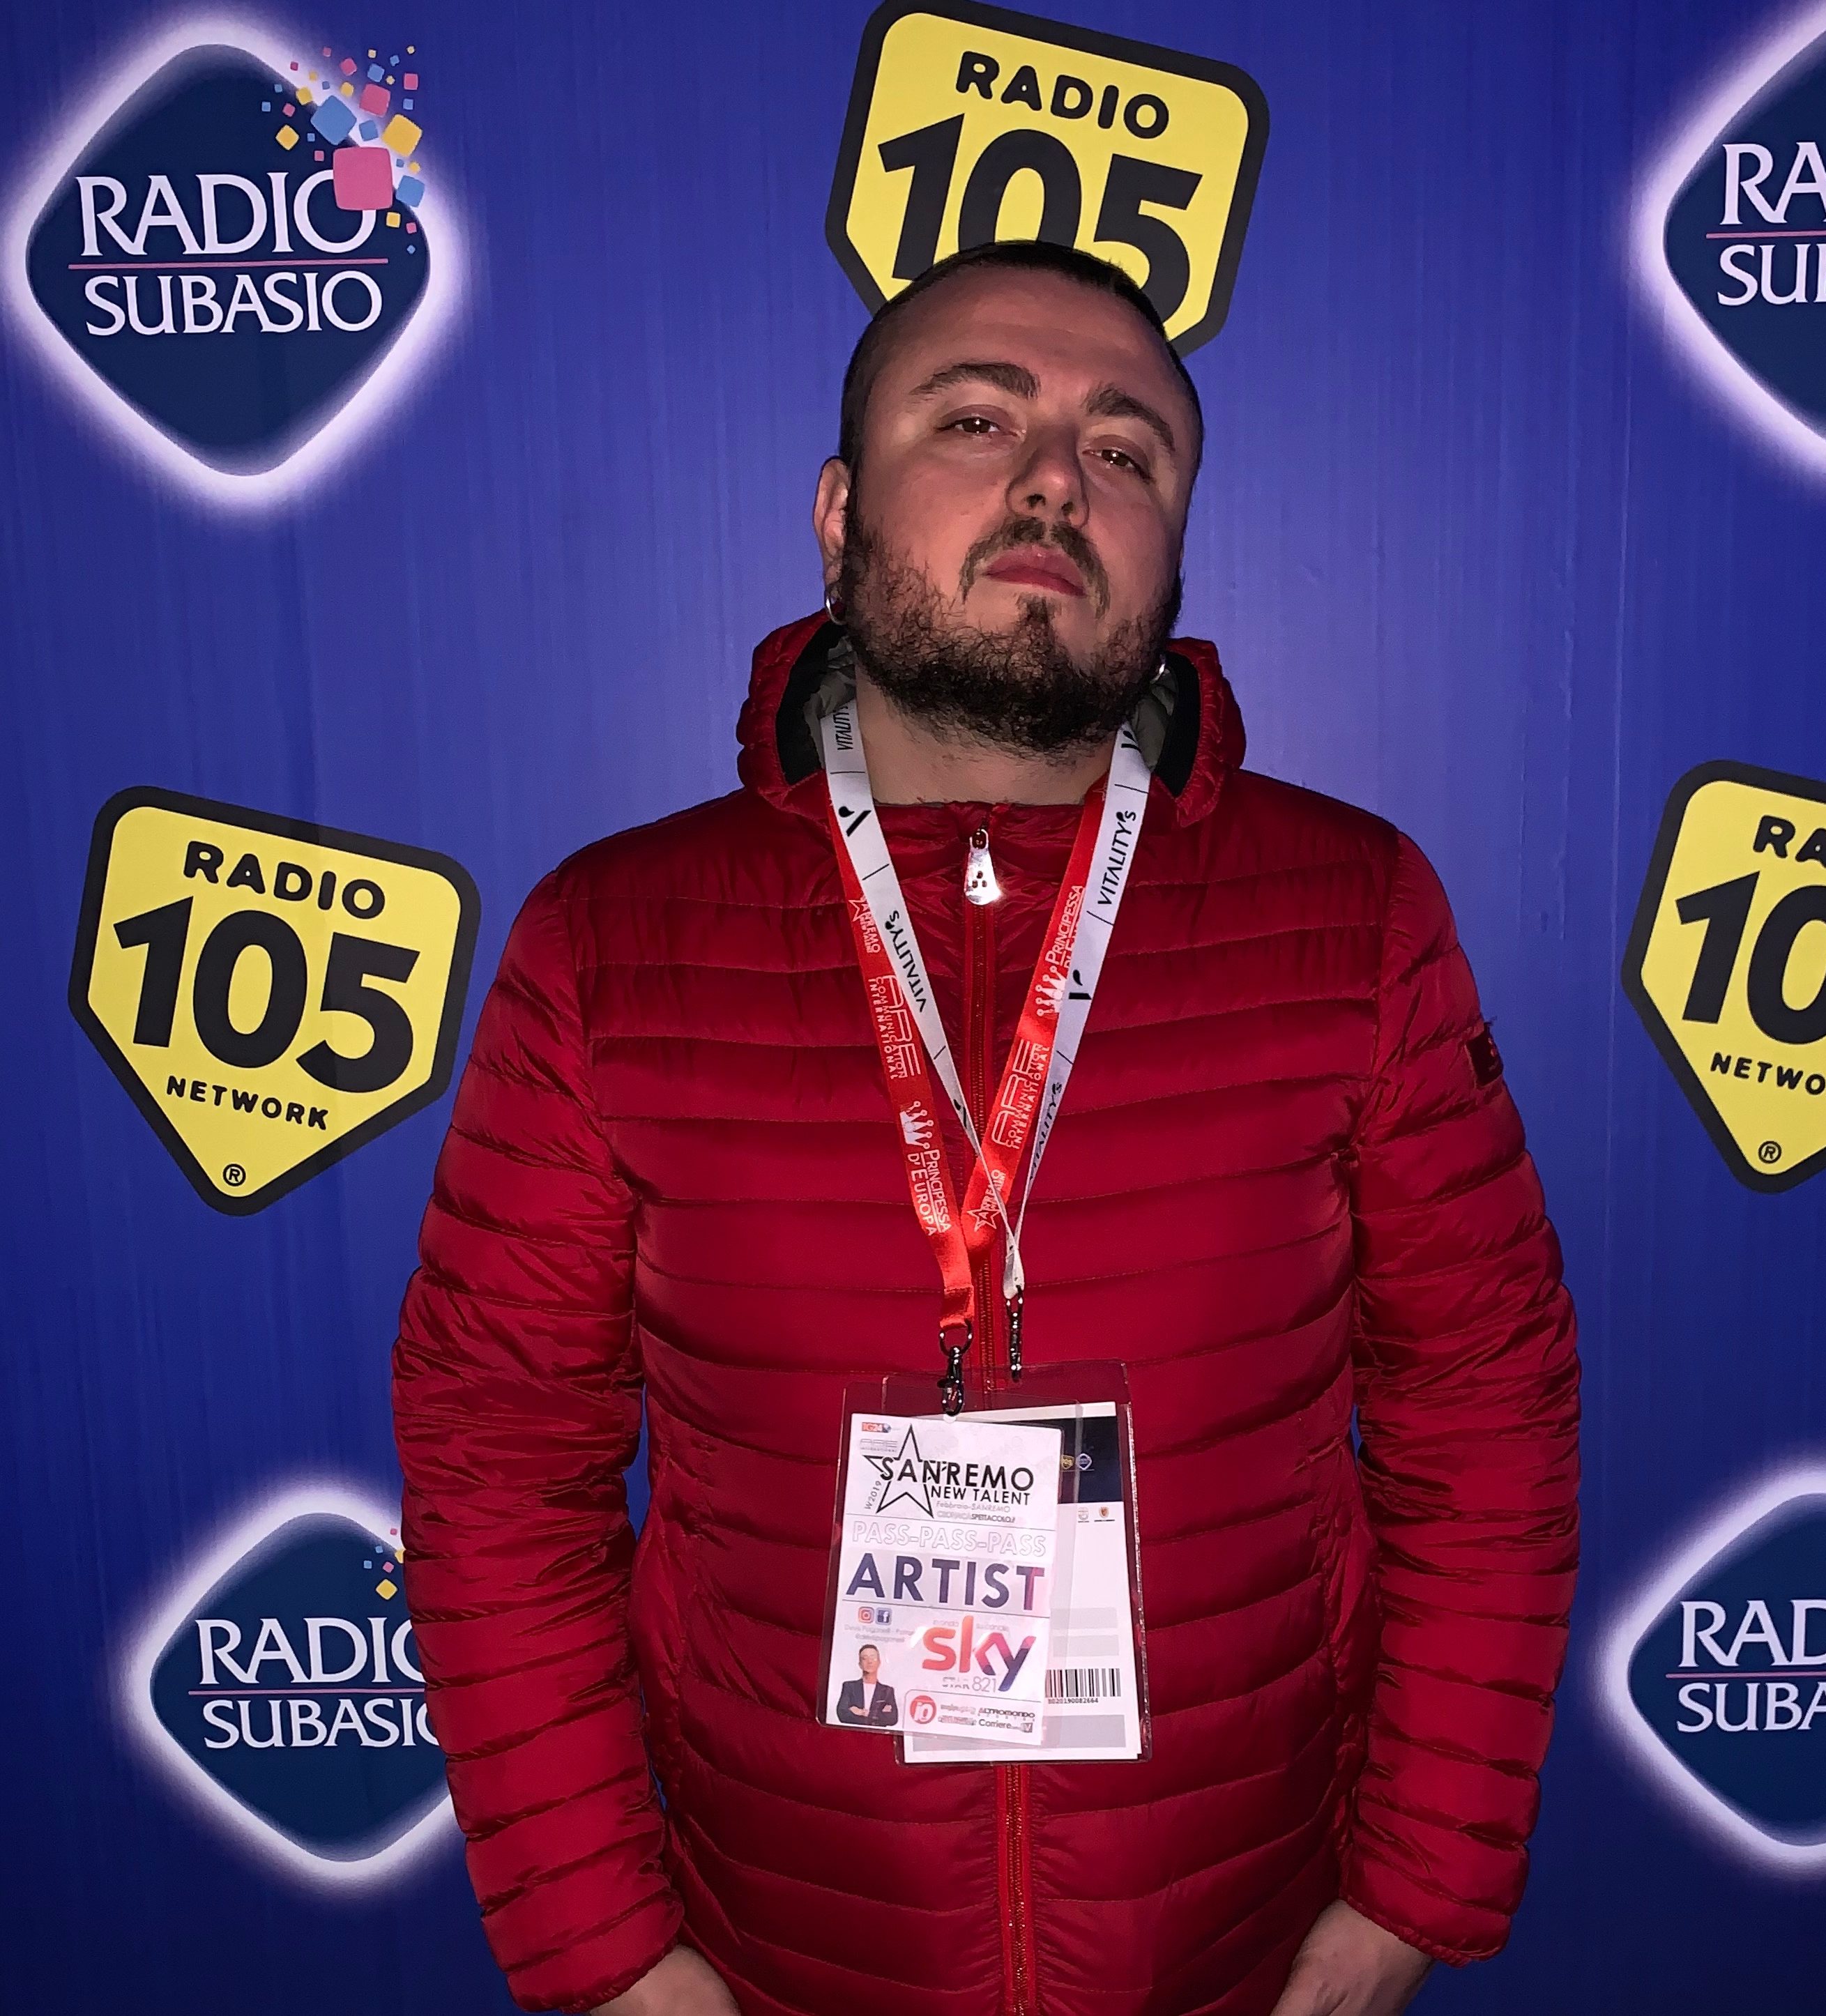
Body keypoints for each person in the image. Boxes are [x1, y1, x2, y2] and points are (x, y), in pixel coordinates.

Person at [393, 239, 1580, 2016]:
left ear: (1173, 548)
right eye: (975, 419)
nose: (1055, 481)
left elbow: (1484, 1415)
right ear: (837, 516)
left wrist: (1416, 1889)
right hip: (777, 1953)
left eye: (1126, 449)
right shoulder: (609, 945)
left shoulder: (1355, 915)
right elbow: (500, 1462)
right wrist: (608, 1952)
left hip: (1238, 1949)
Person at [835, 1645, 898, 1728]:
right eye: (865, 1658)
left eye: (873, 1658)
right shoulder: (849, 1687)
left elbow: (892, 1719)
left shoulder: (887, 1690)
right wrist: (879, 1715)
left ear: (879, 1662)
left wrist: (864, 1713)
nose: (869, 1662)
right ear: (860, 1664)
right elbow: (842, 1714)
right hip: (854, 1732)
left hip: (877, 1734)